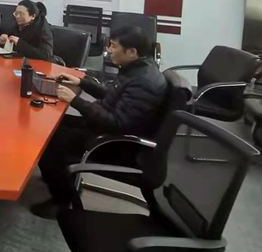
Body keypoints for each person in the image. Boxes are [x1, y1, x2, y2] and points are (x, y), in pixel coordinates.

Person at [30, 26, 168, 219]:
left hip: (116, 143)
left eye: (114, 46)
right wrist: (81, 82)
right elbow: (114, 95)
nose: (109, 50)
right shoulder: (138, 70)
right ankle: (56, 176)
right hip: (106, 126)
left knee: (50, 143)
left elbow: (117, 123)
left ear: (131, 52)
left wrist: (75, 100)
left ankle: (62, 200)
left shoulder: (144, 82)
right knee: (50, 126)